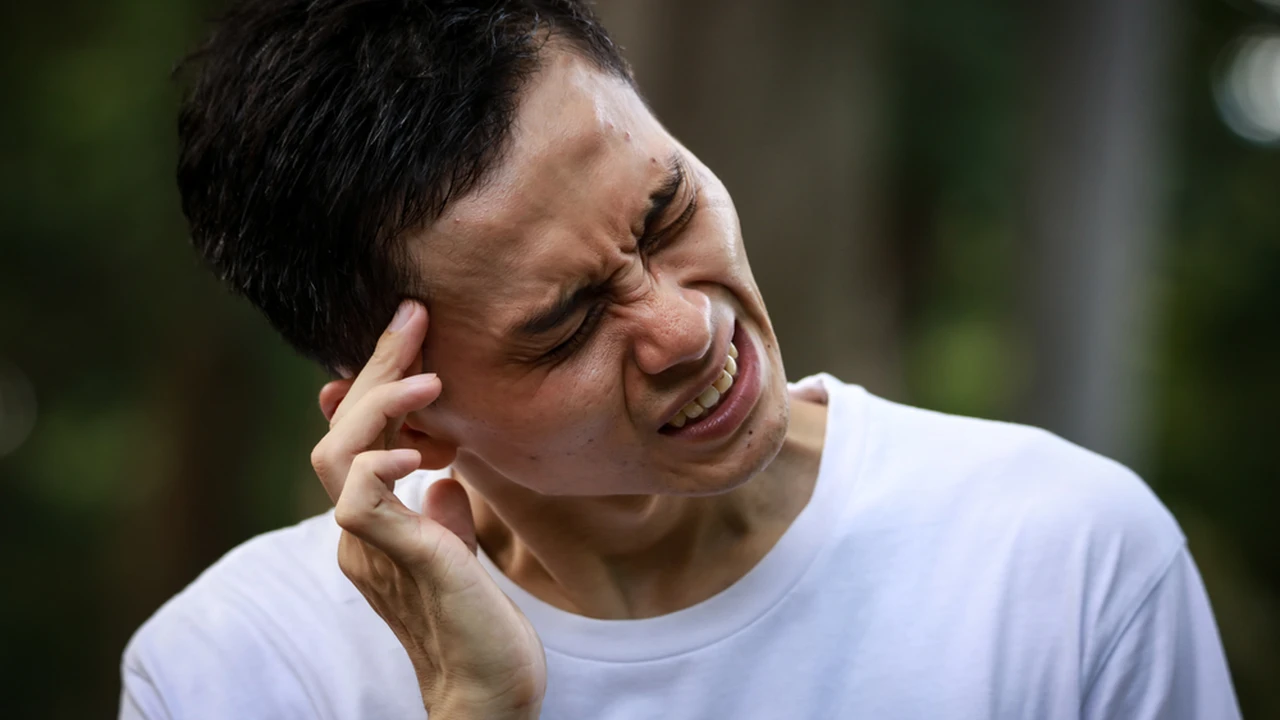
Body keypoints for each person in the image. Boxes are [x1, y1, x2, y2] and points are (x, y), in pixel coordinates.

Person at [120, 1, 1241, 718]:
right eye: (564, 323)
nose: (686, 328)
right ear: (407, 419)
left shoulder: (1062, 559)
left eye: (666, 213)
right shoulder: (239, 668)